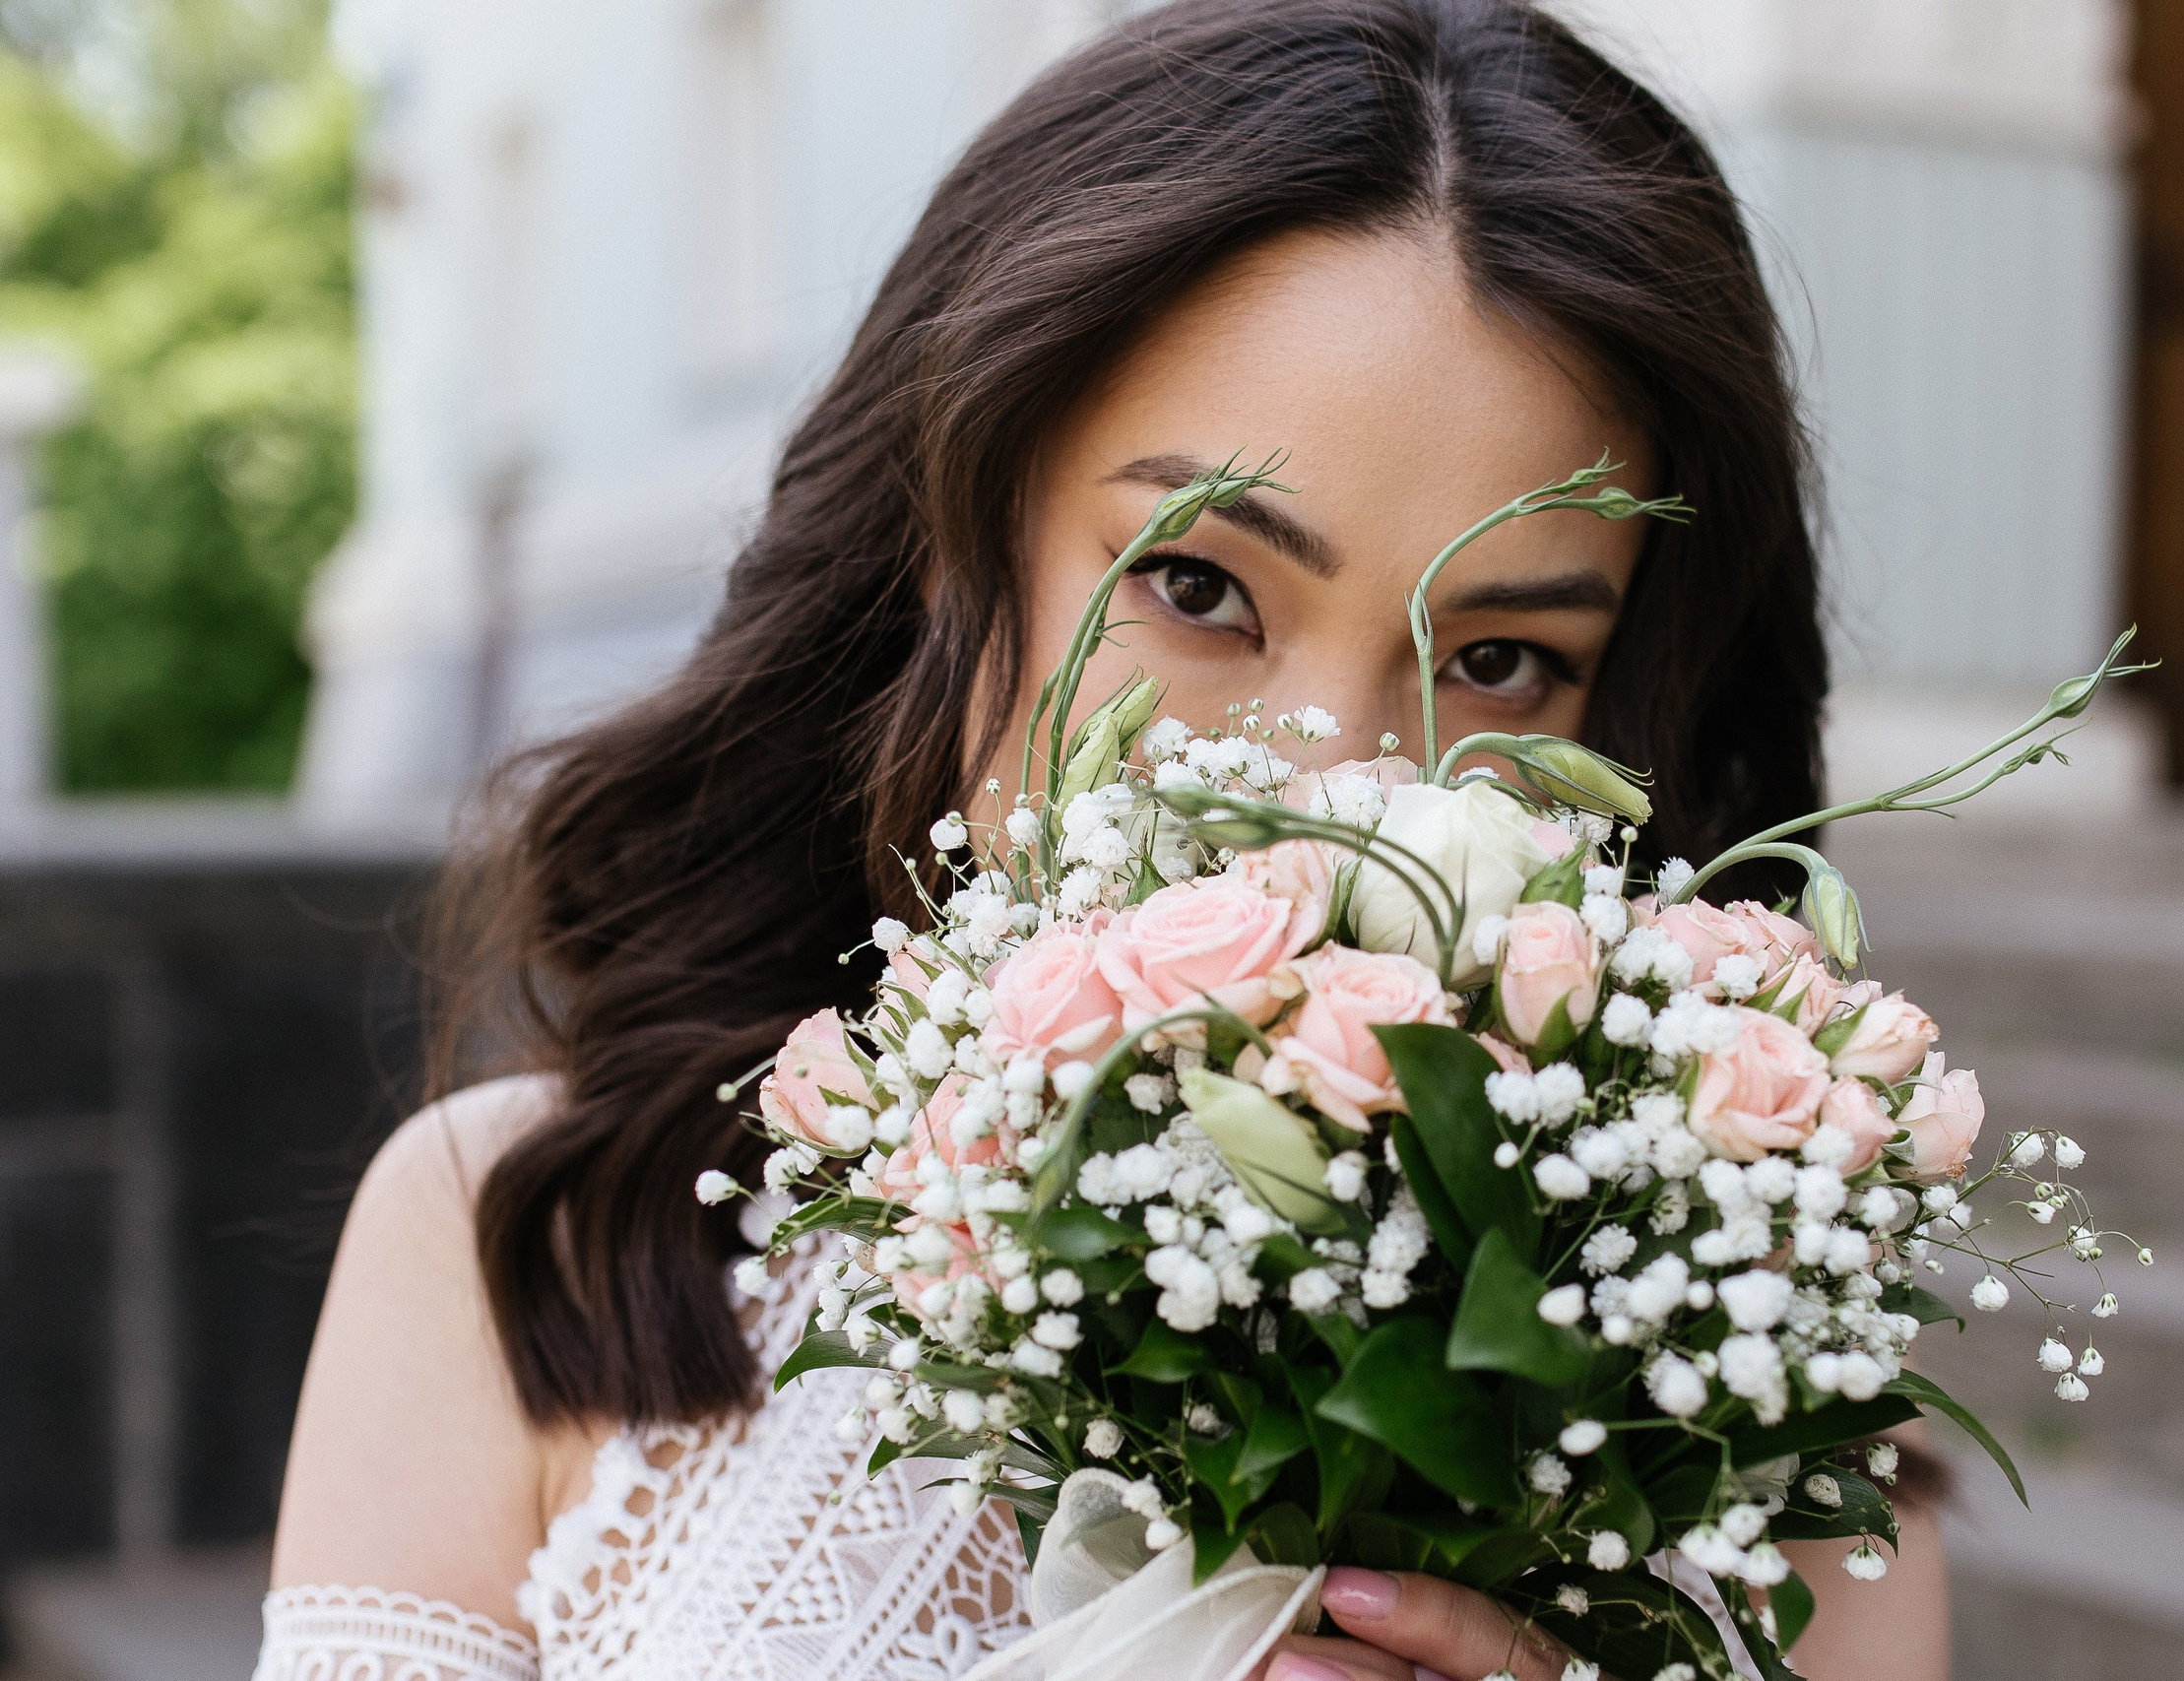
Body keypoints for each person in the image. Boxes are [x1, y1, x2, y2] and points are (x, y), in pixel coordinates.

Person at [257, 3, 1951, 1678]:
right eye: (1199, 585)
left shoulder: (1746, 1407)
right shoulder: (540, 1242)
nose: (1329, 792)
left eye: (1500, 661)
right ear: (945, 545)